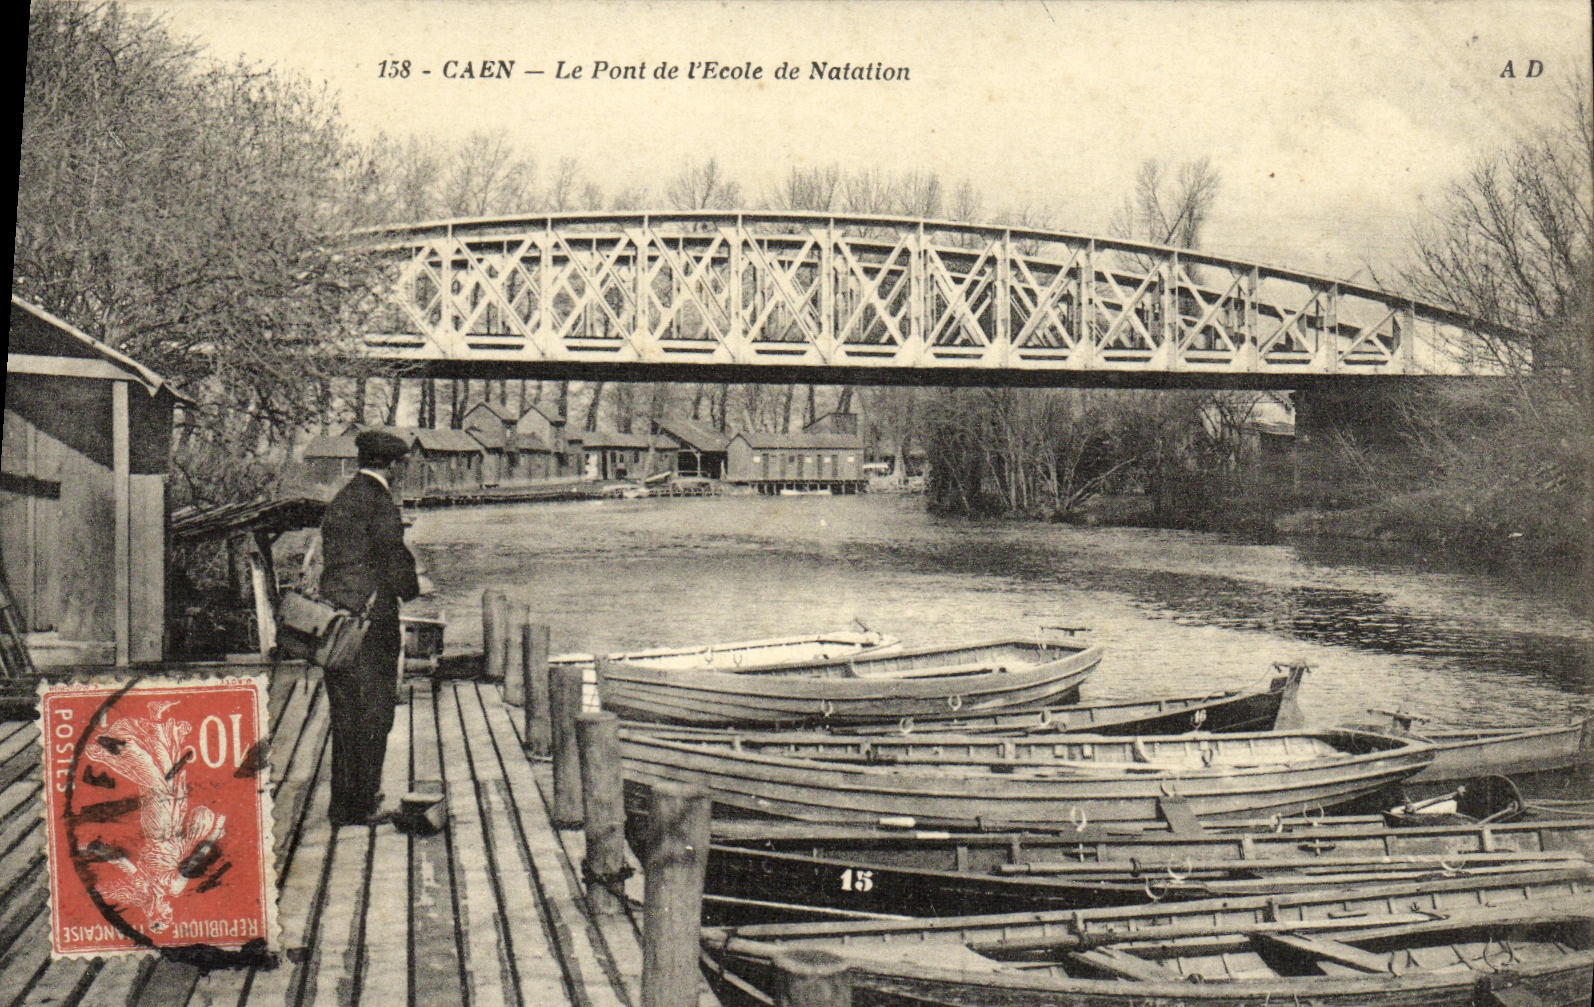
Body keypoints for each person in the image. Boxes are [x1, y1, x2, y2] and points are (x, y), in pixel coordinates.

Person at [317, 429, 420, 827]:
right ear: (391, 466)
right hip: (371, 624)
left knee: (345, 715)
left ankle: (344, 804)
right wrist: (411, 589)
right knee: (375, 714)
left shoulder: (344, 498)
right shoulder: (380, 503)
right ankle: (362, 805)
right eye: (401, 466)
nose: (401, 473)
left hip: (337, 621)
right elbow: (393, 559)